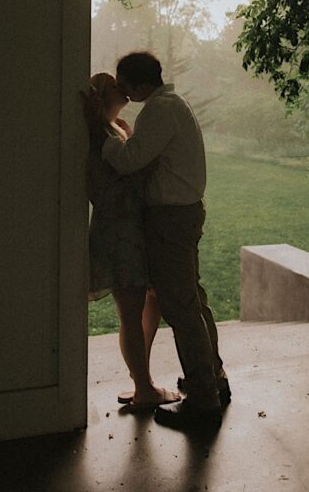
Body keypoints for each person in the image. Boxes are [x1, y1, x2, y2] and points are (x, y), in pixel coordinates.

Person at [97, 51, 229, 429]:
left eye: (125, 87)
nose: (122, 94)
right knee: (193, 301)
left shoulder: (158, 110)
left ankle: (203, 400)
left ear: (140, 85)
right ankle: (213, 379)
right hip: (182, 215)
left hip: (170, 220)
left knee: (181, 309)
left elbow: (127, 161)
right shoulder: (174, 104)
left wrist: (100, 130)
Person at [85, 73, 179, 410]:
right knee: (130, 310)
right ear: (101, 98)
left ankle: (143, 380)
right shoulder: (96, 138)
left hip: (135, 233)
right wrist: (142, 171)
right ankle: (143, 388)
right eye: (114, 87)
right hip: (118, 234)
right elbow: (107, 195)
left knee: (150, 300)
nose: (123, 90)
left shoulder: (117, 128)